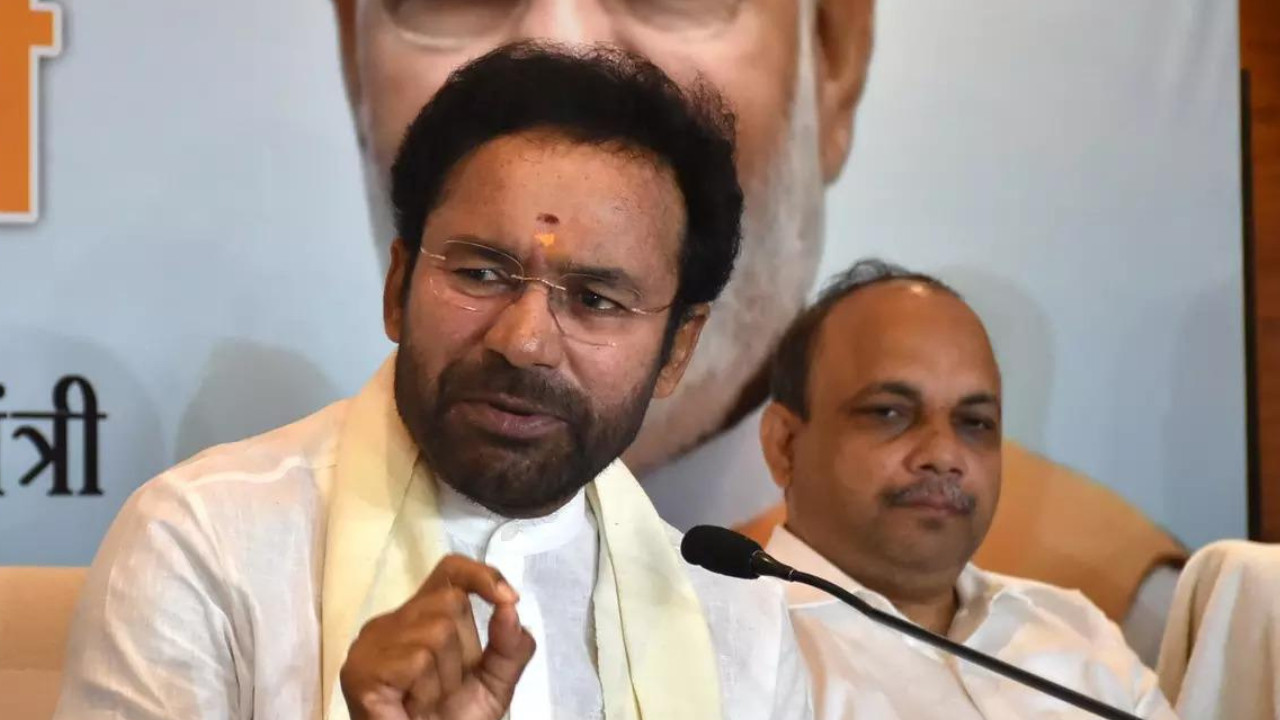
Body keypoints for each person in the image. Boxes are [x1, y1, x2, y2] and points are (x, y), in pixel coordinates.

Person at [54, 45, 810, 720]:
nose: (524, 342)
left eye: (595, 300)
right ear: (398, 286)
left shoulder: (740, 626)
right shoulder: (207, 545)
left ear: (678, 348)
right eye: (481, 273)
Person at [757, 259, 1176, 719]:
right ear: (785, 445)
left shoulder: (1078, 633)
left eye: (975, 422)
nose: (944, 454)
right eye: (889, 413)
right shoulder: (729, 646)